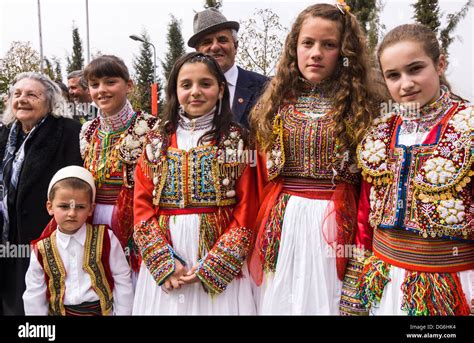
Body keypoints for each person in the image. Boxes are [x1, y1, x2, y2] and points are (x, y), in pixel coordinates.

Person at [248, 2, 381, 314]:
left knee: (328, 300)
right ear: (295, 47)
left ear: (344, 52)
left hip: (336, 226)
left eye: (329, 44)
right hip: (283, 222)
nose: (316, 53)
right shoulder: (274, 104)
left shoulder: (365, 108)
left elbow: (372, 189)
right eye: (307, 43)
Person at [346, 23, 473, 316]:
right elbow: (365, 217)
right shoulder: (379, 133)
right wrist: (356, 287)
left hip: (452, 283)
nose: (405, 84)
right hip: (384, 282)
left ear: (440, 64)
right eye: (393, 75)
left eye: (415, 69)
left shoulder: (468, 127)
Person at [132, 52, 257, 315]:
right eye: (186, 85)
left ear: (221, 89)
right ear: (175, 90)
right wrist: (163, 262)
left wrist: (216, 264)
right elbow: (141, 205)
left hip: (216, 253)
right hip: (168, 252)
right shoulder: (156, 141)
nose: (195, 92)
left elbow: (247, 207)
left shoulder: (236, 140)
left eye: (206, 84)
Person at [0, 72, 83, 315]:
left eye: (31, 95)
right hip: (7, 239)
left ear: (50, 101)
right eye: (17, 94)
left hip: (46, 239)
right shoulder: (5, 135)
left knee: (42, 305)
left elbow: (75, 187)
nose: (22, 99)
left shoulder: (68, 132)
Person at [80, 55, 158, 276]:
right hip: (93, 222)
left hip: (135, 221)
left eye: (110, 82)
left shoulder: (151, 127)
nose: (102, 90)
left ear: (129, 85)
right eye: (95, 85)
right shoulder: (88, 130)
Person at [23, 166, 133, 315]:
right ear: (50, 207)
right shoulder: (41, 249)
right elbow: (34, 295)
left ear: (91, 209)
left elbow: (122, 278)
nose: (72, 213)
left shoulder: (106, 238)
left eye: (80, 207)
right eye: (64, 206)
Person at [188, 7, 268, 128]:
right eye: (207, 42)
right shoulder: (186, 95)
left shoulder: (265, 88)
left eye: (222, 40)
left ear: (235, 46)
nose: (215, 47)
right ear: (197, 52)